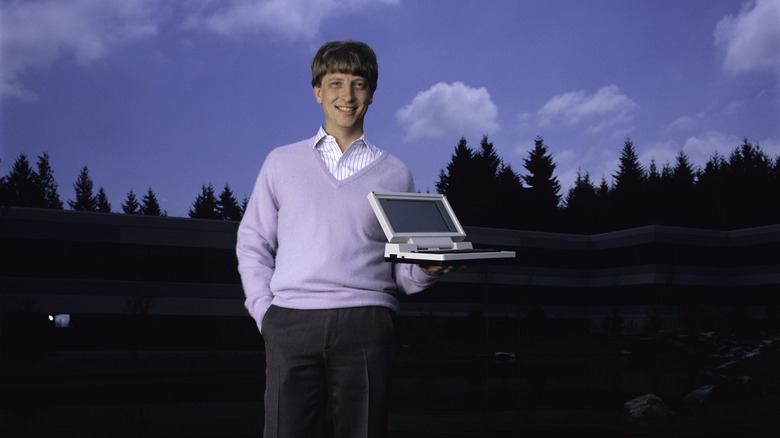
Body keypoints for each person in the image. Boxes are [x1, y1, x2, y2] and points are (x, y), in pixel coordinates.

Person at [236, 40, 457, 438]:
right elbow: (253, 242)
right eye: (335, 83)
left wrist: (426, 270)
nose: (347, 95)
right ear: (317, 91)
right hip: (290, 321)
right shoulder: (281, 162)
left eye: (358, 83)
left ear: (371, 93)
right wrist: (264, 312)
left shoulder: (396, 174)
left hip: (368, 323)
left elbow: (401, 273)